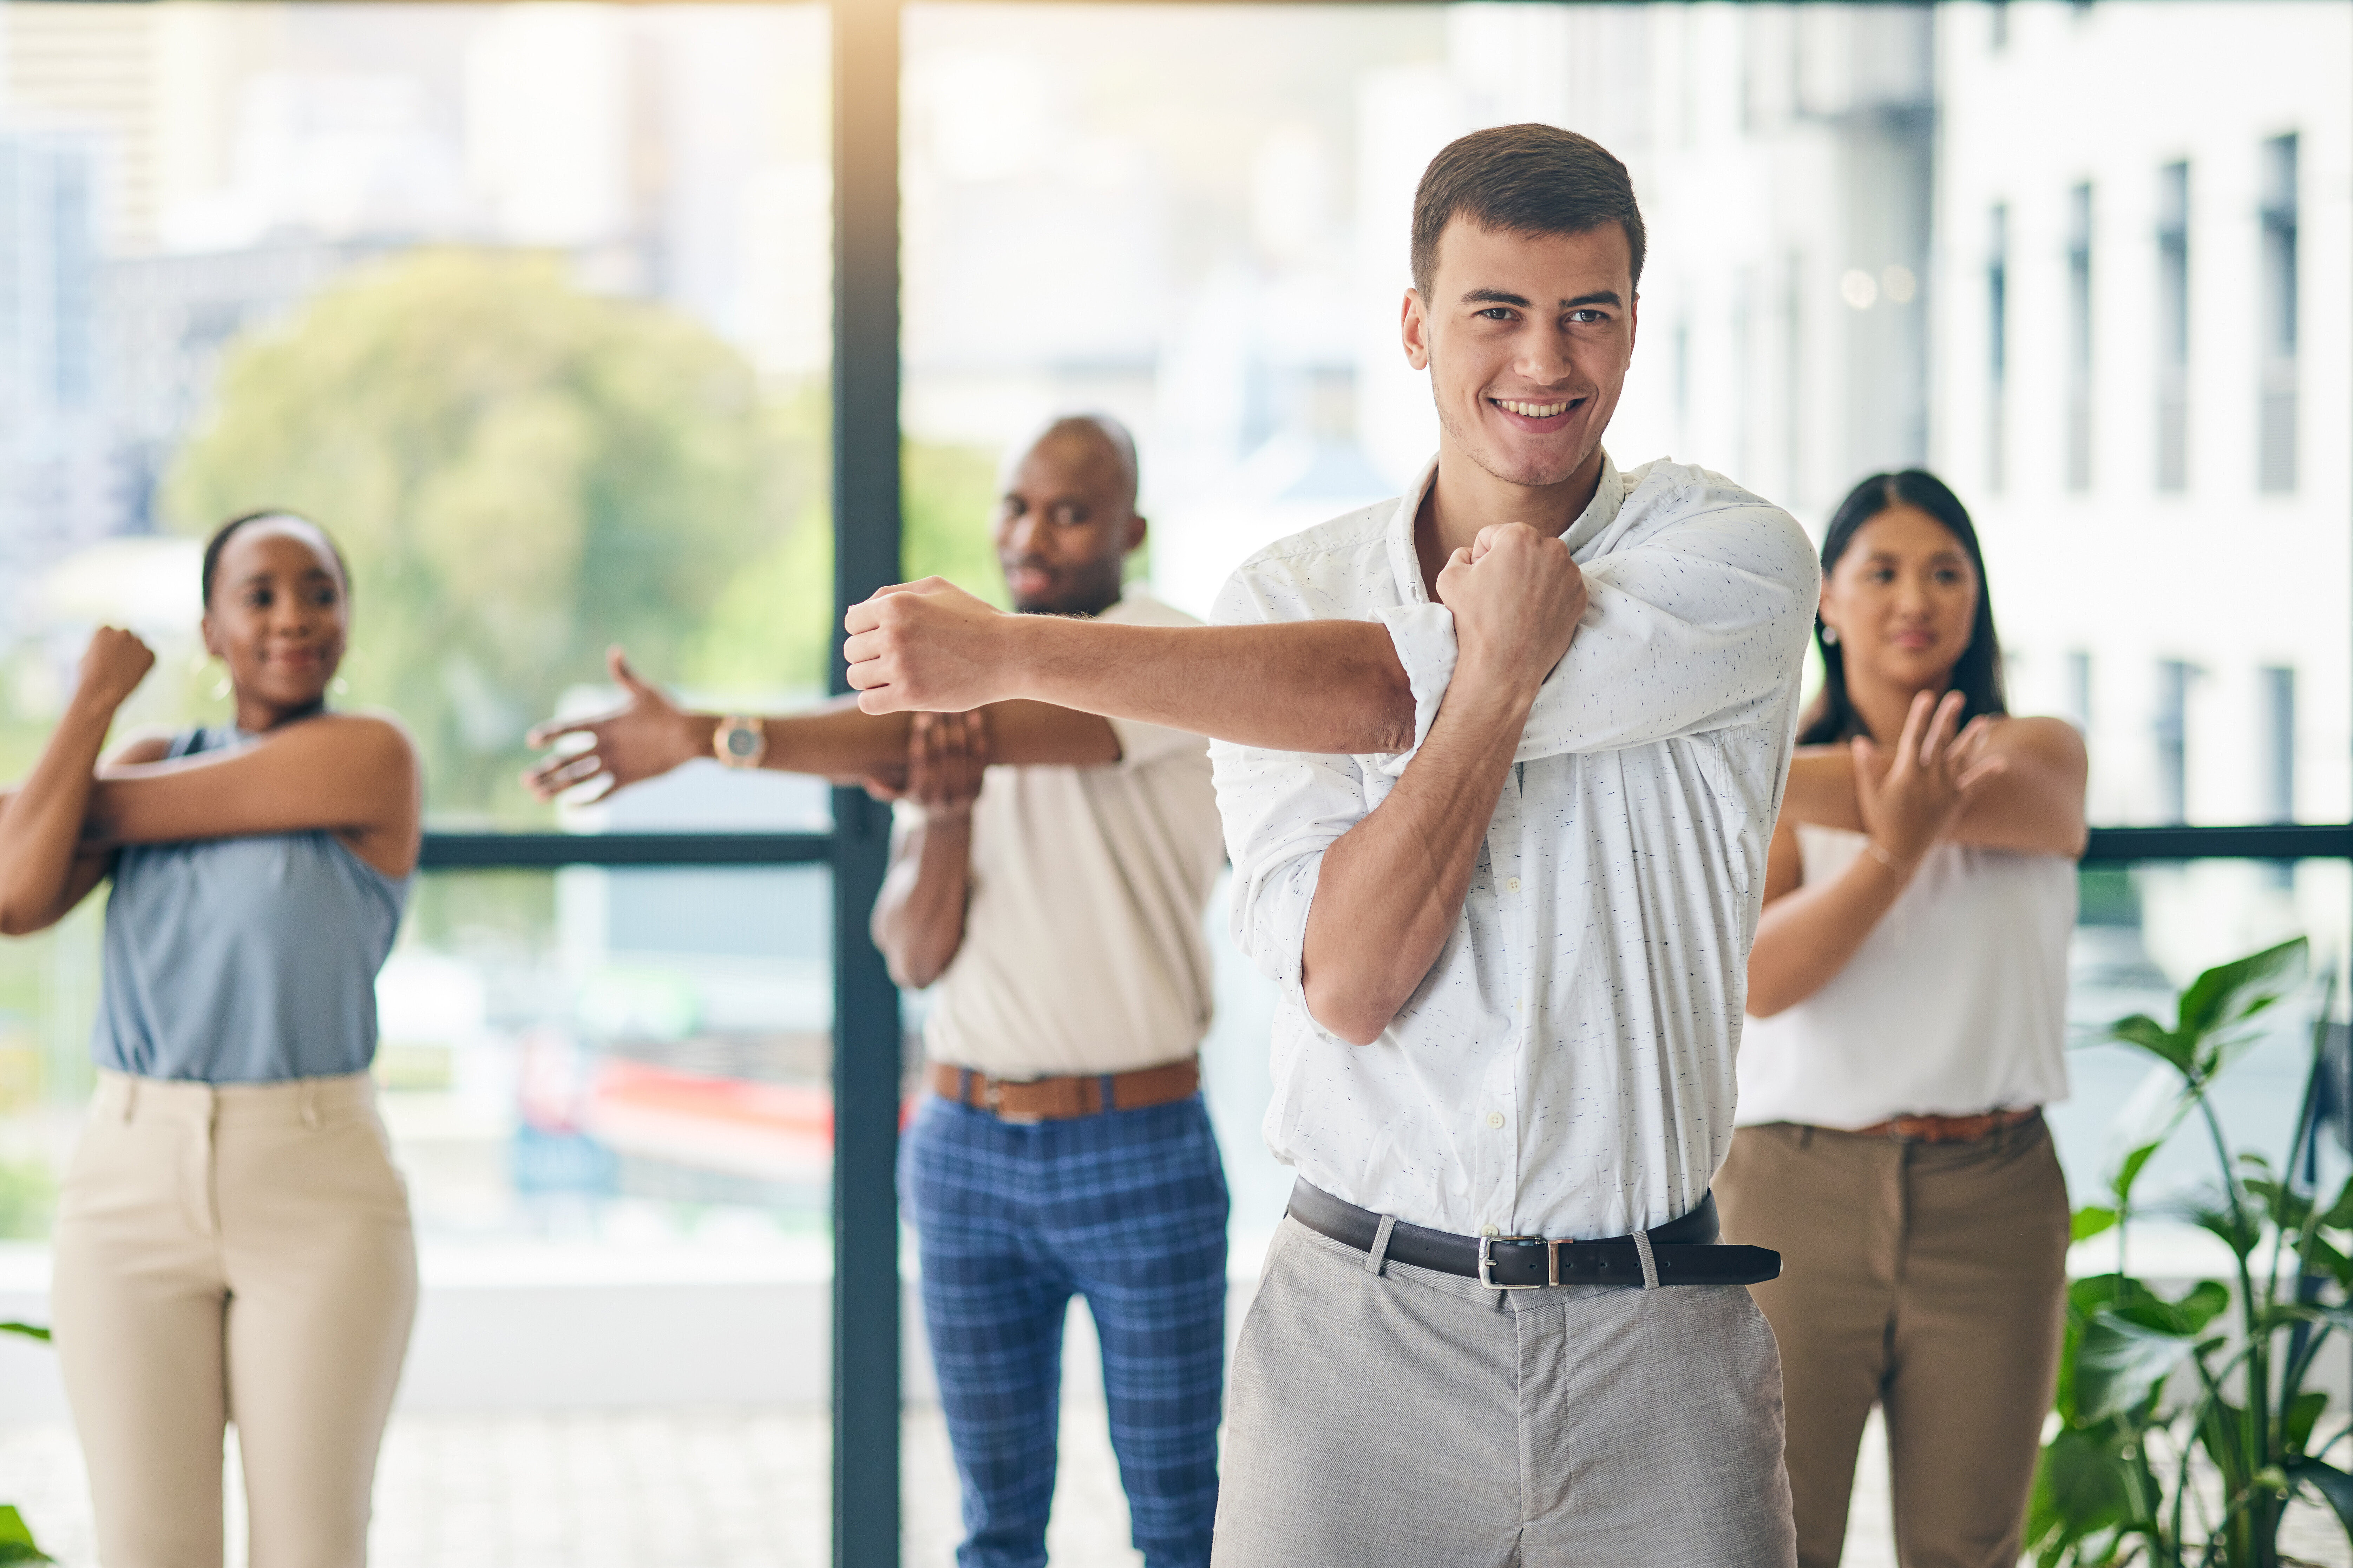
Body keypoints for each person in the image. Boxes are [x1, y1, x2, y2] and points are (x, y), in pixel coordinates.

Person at [838, 124, 1818, 1566]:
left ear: (1631, 325)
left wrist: (1010, 652)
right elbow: (1352, 984)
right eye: (1497, 310)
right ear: (1415, 327)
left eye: (1587, 313)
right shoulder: (1281, 598)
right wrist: (1499, 670)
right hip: (1360, 1338)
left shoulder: (1732, 558)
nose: (1544, 360)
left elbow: (1377, 688)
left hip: (1658, 1342)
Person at [524, 414, 1232, 1568]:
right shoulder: (960, 700)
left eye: (1070, 512)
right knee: (995, 1530)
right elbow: (911, 951)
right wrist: (943, 817)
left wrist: (703, 736)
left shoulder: (1158, 650)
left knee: (1177, 1522)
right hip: (966, 1146)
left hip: (1138, 1145)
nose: (1031, 535)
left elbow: (963, 736)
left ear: (1131, 530)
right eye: (1017, 505)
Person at [0, 511, 422, 1568]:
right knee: (148, 1549)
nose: (294, 618)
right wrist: (93, 701)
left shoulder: (370, 756)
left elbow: (61, 830)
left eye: (320, 592)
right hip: (127, 1182)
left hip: (315, 1184)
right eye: (260, 595)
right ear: (210, 629)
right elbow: (15, 895)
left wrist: (71, 800)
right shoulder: (150, 756)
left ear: (348, 616)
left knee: (312, 1548)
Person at [1715, 470, 2088, 1568]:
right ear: (1826, 600)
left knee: (1969, 1547)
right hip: (1794, 1189)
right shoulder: (1783, 784)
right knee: (1775, 1539)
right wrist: (1892, 847)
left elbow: (2005, 802)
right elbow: (1761, 982)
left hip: (1994, 1197)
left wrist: (1771, 775)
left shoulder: (2039, 753)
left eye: (1944, 571)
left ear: (1976, 595)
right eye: (1880, 572)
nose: (1914, 597)